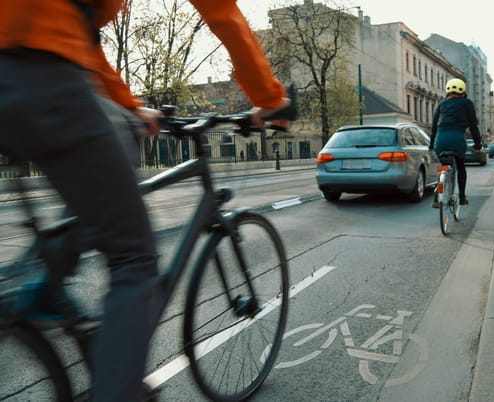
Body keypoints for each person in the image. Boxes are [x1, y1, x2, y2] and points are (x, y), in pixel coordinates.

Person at [0, 1, 291, 401]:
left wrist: (130, 105)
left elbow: (74, 30)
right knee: (134, 259)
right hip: (42, 76)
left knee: (121, 140)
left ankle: (48, 283)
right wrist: (270, 98)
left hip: (24, 72)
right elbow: (222, 12)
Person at [430, 78, 483, 206]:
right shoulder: (467, 103)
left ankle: (439, 191)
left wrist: (431, 145)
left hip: (440, 141)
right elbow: (473, 126)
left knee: (443, 165)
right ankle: (462, 197)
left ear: (447, 91)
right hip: (457, 140)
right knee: (460, 167)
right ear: (463, 91)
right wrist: (477, 145)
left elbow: (434, 127)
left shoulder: (441, 104)